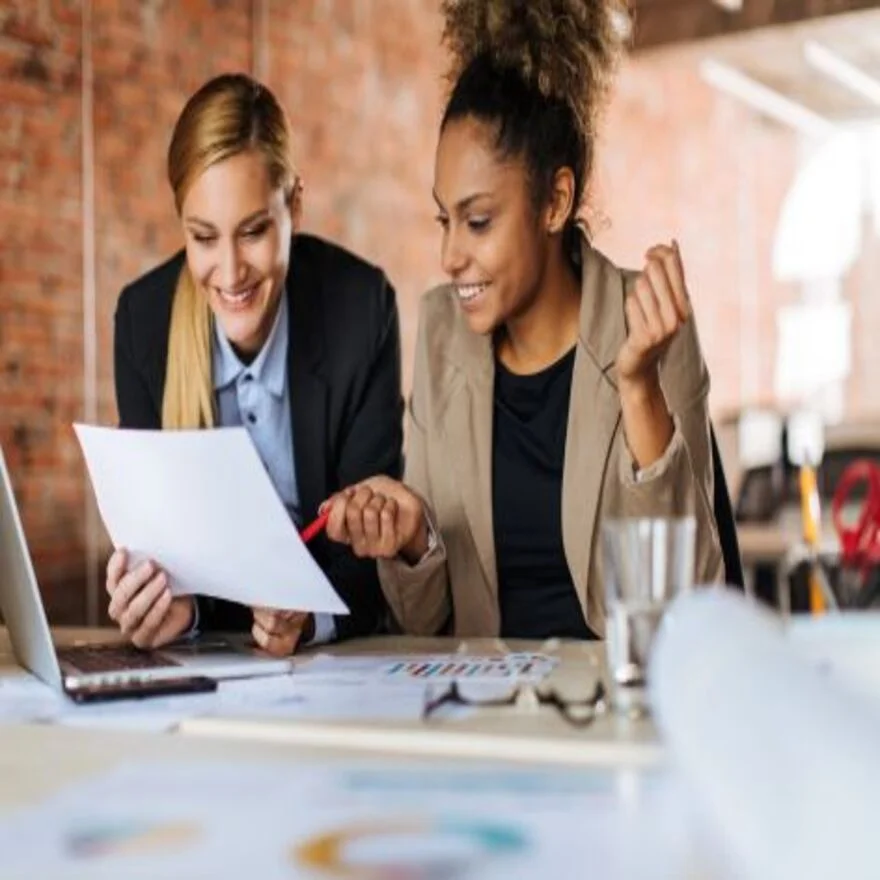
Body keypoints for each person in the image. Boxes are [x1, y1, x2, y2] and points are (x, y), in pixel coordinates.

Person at [324, 0, 724, 640]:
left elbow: (688, 606)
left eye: (478, 221)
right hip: (483, 712)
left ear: (555, 202)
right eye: (444, 219)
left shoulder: (646, 326)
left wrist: (641, 386)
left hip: (610, 714)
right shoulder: (439, 333)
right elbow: (419, 624)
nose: (451, 255)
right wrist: (413, 542)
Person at [106, 73, 403, 656]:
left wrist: (308, 622)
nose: (231, 270)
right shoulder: (144, 325)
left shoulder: (360, 310)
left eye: (254, 231)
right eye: (204, 237)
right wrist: (169, 610)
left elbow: (372, 560)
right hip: (214, 669)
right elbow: (163, 557)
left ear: (294, 204)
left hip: (337, 665)